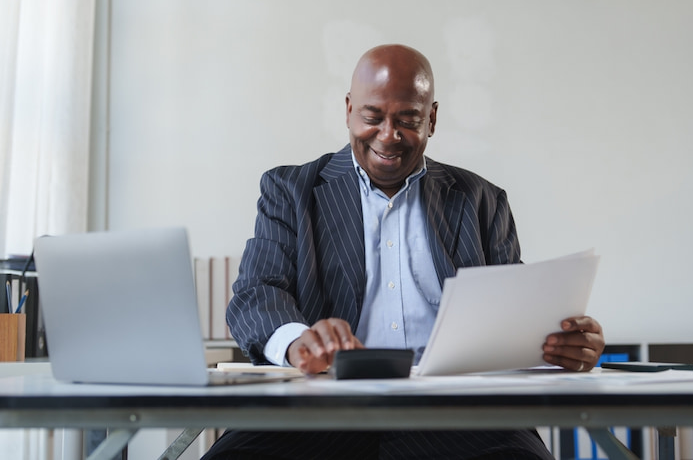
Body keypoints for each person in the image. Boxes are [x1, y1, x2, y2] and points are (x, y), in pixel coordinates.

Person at [202, 44, 605, 460]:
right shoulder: (290, 191)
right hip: (316, 406)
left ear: (431, 118)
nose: (388, 135)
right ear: (348, 110)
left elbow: (514, 317)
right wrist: (299, 342)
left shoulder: (481, 200)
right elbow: (256, 292)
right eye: (372, 117)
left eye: (408, 119)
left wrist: (564, 346)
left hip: (456, 414)